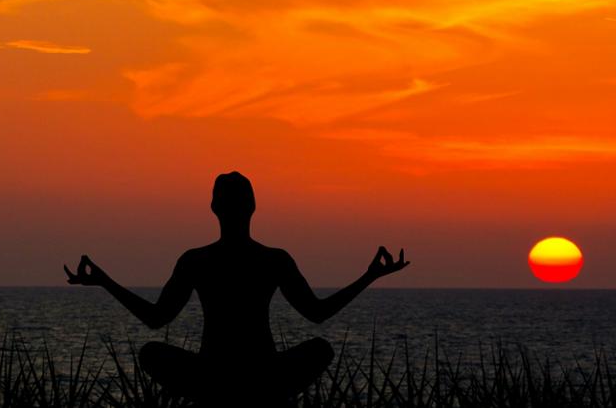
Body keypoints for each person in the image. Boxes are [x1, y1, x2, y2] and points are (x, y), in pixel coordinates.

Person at [65, 171, 409, 406]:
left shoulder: (197, 260)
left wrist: (104, 282)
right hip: (263, 376)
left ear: (215, 208)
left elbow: (157, 319)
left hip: (213, 376)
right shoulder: (272, 259)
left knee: (152, 353)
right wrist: (369, 277)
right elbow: (317, 313)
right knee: (319, 348)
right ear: (253, 207)